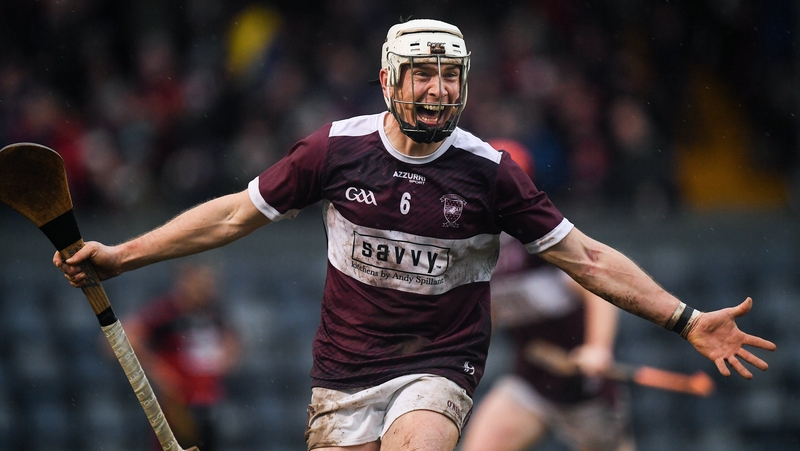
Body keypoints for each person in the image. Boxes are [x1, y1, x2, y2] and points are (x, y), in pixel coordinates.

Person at [55, 18, 775, 451]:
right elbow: (233, 214)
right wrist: (122, 256)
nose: (438, 89)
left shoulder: (489, 173)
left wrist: (684, 318)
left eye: (450, 75)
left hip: (440, 362)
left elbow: (585, 257)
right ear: (388, 79)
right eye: (423, 74)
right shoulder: (334, 150)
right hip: (342, 371)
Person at [460, 139, 635, 451]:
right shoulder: (470, 243)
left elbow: (597, 292)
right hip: (531, 383)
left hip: (585, 391)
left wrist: (597, 348)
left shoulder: (541, 235)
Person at [125, 262, 240, 451]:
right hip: (178, 405)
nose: (207, 290)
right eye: (201, 284)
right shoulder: (166, 312)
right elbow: (128, 337)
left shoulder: (213, 312)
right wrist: (160, 372)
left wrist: (222, 362)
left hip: (208, 401)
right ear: (185, 282)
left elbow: (234, 342)